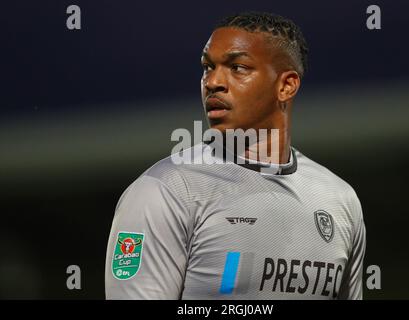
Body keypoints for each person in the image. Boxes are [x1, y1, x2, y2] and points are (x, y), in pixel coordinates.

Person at [105, 11, 366, 300]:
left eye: (238, 67)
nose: (213, 82)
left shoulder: (340, 199)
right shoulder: (165, 191)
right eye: (207, 67)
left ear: (286, 85)